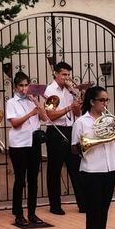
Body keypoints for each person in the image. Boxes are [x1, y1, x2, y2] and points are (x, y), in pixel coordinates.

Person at [71, 85, 115, 229]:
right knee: (93, 212)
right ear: (92, 102)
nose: (105, 103)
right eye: (102, 100)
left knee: (104, 210)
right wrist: (91, 143)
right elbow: (75, 149)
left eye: (107, 100)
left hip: (110, 169)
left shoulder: (109, 119)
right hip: (91, 170)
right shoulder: (81, 122)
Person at [5, 72, 45, 228]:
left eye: (26, 85)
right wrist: (30, 113)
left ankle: (32, 213)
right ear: (16, 87)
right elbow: (15, 123)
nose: (23, 89)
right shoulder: (11, 103)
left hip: (33, 143)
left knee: (33, 179)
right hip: (19, 145)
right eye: (21, 86)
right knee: (20, 180)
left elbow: (43, 118)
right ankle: (18, 214)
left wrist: (39, 107)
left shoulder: (32, 100)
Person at [42, 62, 82, 215]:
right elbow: (50, 115)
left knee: (76, 167)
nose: (67, 78)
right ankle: (55, 205)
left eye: (68, 75)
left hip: (71, 130)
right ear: (56, 74)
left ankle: (82, 203)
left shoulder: (69, 90)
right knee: (55, 169)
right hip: (56, 130)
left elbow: (77, 113)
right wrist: (68, 108)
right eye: (64, 75)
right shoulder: (50, 90)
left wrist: (76, 100)